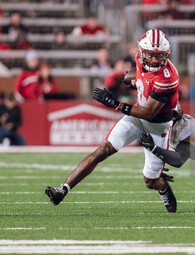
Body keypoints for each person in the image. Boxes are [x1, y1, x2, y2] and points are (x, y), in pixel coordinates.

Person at [45, 29, 180, 213]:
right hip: (135, 118)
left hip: (157, 126)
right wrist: (130, 79)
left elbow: (148, 113)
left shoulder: (168, 78)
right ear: (142, 52)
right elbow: (140, 75)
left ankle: (162, 186)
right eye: (151, 55)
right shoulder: (140, 60)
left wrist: (114, 104)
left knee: (150, 181)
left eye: (159, 56)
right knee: (102, 151)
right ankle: (62, 190)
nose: (155, 61)